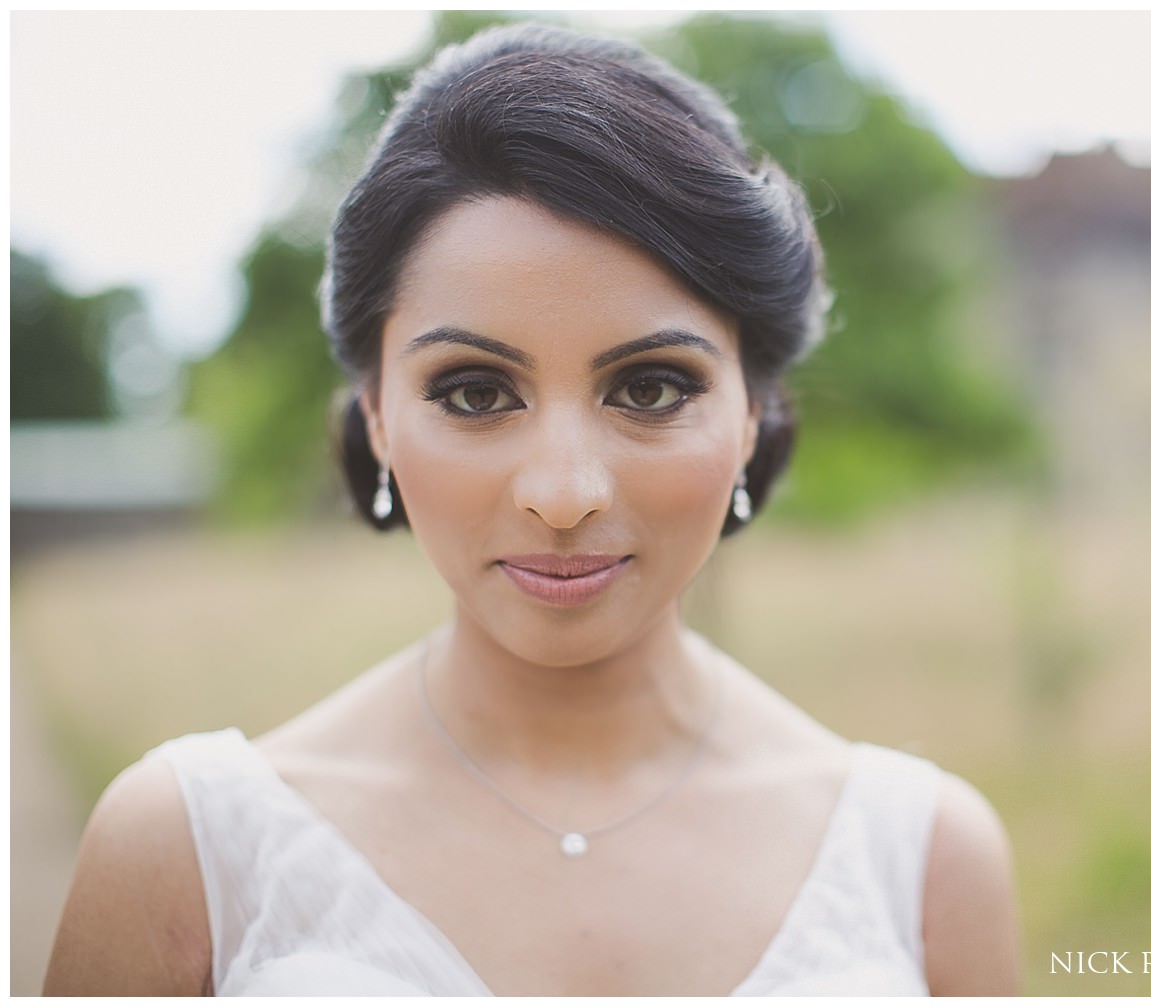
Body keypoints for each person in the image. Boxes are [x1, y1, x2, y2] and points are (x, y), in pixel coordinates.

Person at [44, 22, 1019, 996]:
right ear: (379, 415)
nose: (562, 494)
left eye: (649, 388)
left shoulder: (925, 861)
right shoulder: (189, 849)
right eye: (474, 392)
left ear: (755, 410)